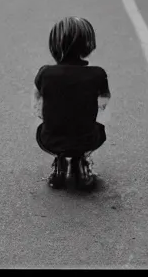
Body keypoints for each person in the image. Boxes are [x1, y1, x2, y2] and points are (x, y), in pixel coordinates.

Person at [32, 17, 110, 191]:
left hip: (49, 139)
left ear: (54, 45)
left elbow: (37, 100)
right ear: (89, 45)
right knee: (97, 127)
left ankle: (61, 163)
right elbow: (103, 102)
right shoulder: (98, 74)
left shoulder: (45, 73)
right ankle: (82, 163)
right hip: (88, 138)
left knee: (43, 121)